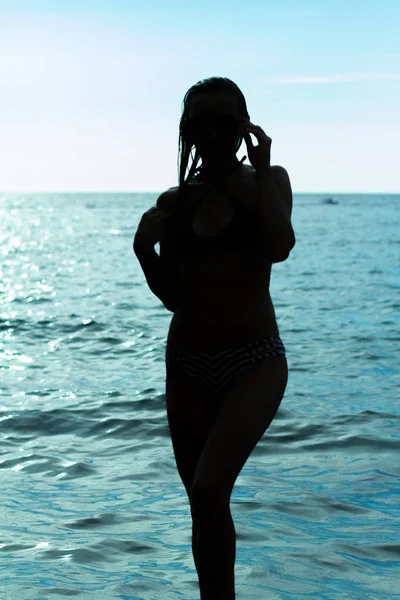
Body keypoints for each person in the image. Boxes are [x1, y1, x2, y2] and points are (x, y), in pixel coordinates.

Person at [134, 76, 295, 600]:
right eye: (199, 123)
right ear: (186, 132)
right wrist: (143, 252)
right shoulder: (176, 201)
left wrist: (259, 164)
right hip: (187, 363)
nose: (212, 132)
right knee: (202, 505)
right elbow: (176, 299)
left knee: (208, 488)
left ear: (243, 127)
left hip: (255, 359)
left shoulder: (270, 182)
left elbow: (279, 244)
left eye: (225, 122)